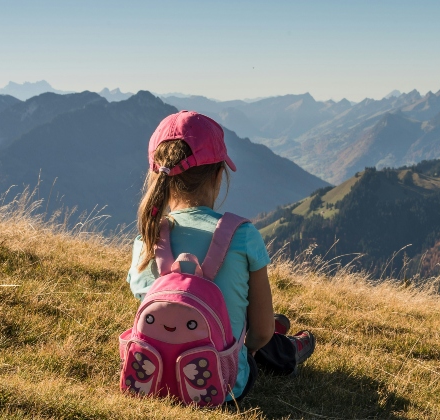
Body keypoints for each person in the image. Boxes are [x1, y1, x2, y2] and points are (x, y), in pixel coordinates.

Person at [126, 110, 315, 403]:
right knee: (255, 329)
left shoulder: (147, 238)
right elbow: (261, 334)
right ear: (218, 174)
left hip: (153, 378)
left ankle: (272, 336)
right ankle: (287, 349)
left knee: (236, 319)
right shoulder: (242, 235)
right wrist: (246, 346)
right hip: (225, 386)